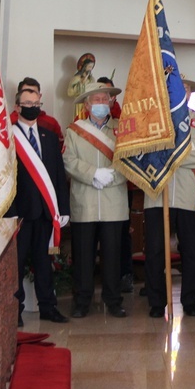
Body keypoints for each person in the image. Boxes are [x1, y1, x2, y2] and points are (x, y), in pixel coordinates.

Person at [143, 78, 195, 318]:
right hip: (157, 194)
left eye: (182, 89)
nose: (177, 92)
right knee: (154, 251)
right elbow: (144, 155)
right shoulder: (152, 119)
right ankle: (155, 301)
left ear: (189, 93)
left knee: (192, 251)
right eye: (172, 88)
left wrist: (175, 157)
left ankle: (190, 301)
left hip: (189, 195)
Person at [63, 82, 128, 318]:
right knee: (83, 256)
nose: (101, 104)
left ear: (111, 102)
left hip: (114, 201)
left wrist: (110, 176)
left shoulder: (123, 129)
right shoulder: (74, 131)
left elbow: (129, 161)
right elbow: (69, 161)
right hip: (85, 201)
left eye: (105, 99)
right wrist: (93, 174)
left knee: (112, 255)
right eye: (96, 100)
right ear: (87, 104)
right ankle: (82, 301)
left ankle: (113, 300)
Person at [12, 87, 70, 326]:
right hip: (20, 214)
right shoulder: (8, 136)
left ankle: (48, 306)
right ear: (17, 107)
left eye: (36, 102)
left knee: (44, 262)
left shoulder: (47, 136)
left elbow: (58, 176)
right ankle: (14, 310)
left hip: (46, 212)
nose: (32, 107)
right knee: (15, 264)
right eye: (27, 103)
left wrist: (63, 209)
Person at [96, 76, 133, 292]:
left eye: (108, 95)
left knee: (121, 234)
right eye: (100, 95)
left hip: (121, 187)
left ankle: (124, 274)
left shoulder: (123, 118)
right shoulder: (84, 120)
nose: (104, 100)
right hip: (94, 185)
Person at [9, 77, 64, 149]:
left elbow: (59, 150)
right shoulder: (8, 122)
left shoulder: (51, 123)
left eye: (34, 92)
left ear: (39, 96)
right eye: (26, 92)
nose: (31, 95)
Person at [67, 53, 96, 120]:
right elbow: (70, 92)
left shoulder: (92, 79)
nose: (90, 69)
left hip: (90, 104)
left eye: (92, 67)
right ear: (84, 66)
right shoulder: (77, 78)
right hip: (80, 104)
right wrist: (81, 84)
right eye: (89, 67)